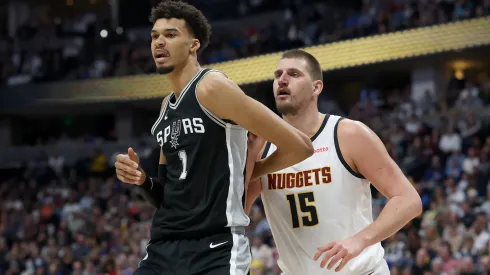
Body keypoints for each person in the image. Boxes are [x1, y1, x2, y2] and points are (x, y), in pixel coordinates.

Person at [114, 1, 314, 275]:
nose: (159, 42)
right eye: (155, 36)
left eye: (170, 35)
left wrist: (251, 170)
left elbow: (300, 146)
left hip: (215, 249)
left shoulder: (212, 87)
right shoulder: (165, 107)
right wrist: (141, 180)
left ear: (194, 44)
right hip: (163, 249)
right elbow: (166, 194)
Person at [245, 50, 422, 275]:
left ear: (316, 87)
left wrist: (360, 240)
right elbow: (238, 214)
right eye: (278, 74)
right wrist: (249, 158)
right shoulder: (261, 145)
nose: (282, 80)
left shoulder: (348, 134)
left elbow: (409, 200)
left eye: (293, 74)